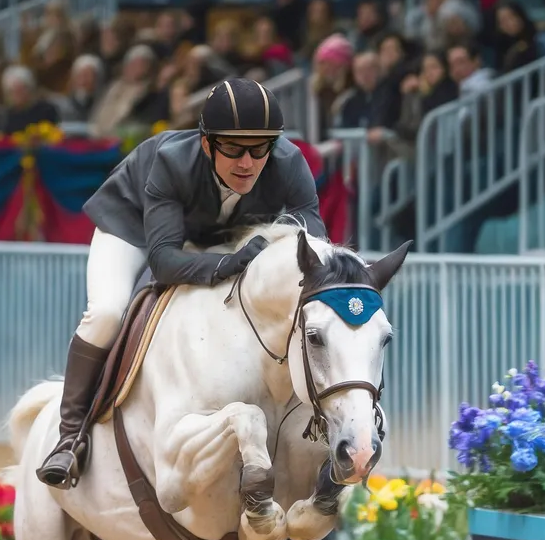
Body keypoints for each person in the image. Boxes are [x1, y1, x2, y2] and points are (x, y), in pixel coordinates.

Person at [36, 77, 328, 489]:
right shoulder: (172, 161)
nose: (247, 163)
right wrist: (230, 262)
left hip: (219, 235)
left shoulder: (287, 161)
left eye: (259, 148)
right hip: (137, 227)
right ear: (207, 144)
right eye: (232, 148)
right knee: (106, 312)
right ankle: (70, 436)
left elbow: (312, 238)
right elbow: (165, 260)